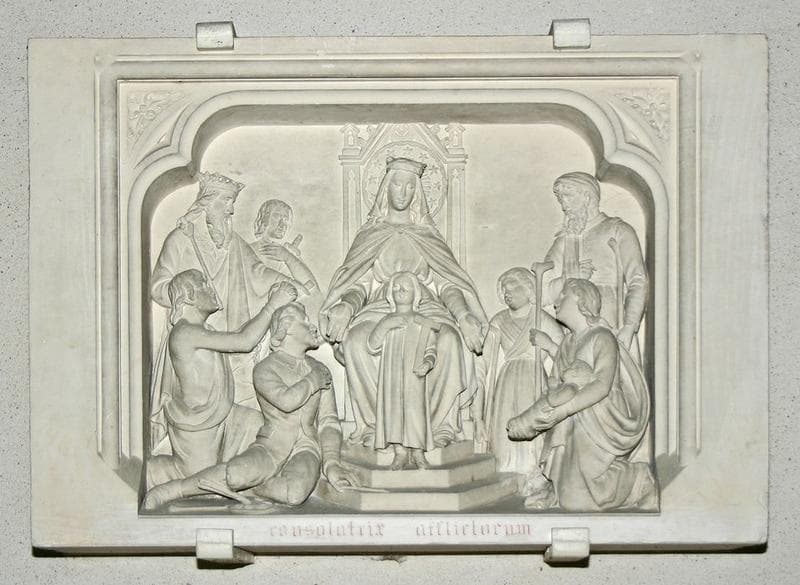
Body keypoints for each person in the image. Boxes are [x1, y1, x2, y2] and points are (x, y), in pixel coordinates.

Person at [320, 157, 488, 449]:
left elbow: (446, 283)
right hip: (379, 307)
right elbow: (359, 283)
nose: (403, 192)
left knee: (449, 340)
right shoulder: (371, 235)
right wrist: (346, 306)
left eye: (410, 187)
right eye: (397, 184)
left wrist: (463, 315)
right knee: (357, 341)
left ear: (418, 193)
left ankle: (441, 426)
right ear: (385, 188)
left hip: (425, 307)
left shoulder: (427, 235)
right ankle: (375, 426)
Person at [143, 301, 359, 510]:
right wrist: (312, 381)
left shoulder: (320, 369)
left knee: (294, 495)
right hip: (272, 446)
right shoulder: (266, 369)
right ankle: (175, 489)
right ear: (287, 329)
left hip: (306, 448)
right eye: (305, 321)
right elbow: (286, 402)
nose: (312, 326)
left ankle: (253, 486)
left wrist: (331, 463)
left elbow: (328, 421)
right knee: (235, 475)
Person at [150, 172, 306, 415]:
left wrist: (289, 283)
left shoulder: (234, 243)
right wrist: (187, 291)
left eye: (232, 202)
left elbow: (259, 272)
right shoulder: (181, 239)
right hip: (195, 339)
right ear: (207, 202)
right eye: (226, 201)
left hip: (232, 326)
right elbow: (158, 287)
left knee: (239, 400)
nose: (231, 210)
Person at [507, 278, 656, 512]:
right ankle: (556, 486)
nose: (556, 301)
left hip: (599, 416)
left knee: (578, 502)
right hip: (572, 418)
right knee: (569, 487)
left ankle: (638, 479)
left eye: (563, 295)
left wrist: (563, 410)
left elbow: (602, 386)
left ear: (581, 299)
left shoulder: (601, 337)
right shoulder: (567, 343)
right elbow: (556, 384)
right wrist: (550, 397)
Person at [146, 270, 297, 492]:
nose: (212, 290)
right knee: (196, 477)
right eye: (205, 285)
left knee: (264, 429)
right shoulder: (184, 333)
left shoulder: (205, 330)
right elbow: (243, 341)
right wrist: (273, 305)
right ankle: (150, 474)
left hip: (225, 415)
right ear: (189, 295)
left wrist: (270, 304)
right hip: (198, 424)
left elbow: (240, 336)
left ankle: (259, 481)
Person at [472, 268, 563, 484]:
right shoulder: (499, 321)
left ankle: (535, 477)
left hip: (534, 380)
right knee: (504, 434)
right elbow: (482, 365)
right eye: (504, 289)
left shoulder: (542, 319)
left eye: (513, 287)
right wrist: (477, 416)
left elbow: (568, 355)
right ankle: (505, 477)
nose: (507, 292)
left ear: (529, 289)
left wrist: (548, 345)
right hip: (506, 382)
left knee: (533, 430)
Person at [541, 172, 648, 354]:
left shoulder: (617, 230)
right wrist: (568, 278)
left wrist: (630, 326)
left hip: (610, 317)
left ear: (587, 196)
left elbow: (637, 281)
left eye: (568, 196)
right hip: (574, 326)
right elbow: (543, 293)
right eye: (560, 199)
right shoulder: (564, 241)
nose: (563, 205)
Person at [367, 271, 440, 470]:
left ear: (416, 293)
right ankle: (399, 453)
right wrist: (384, 326)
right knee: (393, 412)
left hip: (414, 378)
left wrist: (428, 363)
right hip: (391, 378)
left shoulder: (421, 321)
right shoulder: (387, 320)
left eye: (406, 287)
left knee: (415, 412)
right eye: (396, 287)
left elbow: (431, 349)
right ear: (390, 293)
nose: (400, 290)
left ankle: (417, 452)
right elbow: (372, 345)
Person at [250, 198, 318, 295]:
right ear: (265, 219)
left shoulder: (288, 252)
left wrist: (290, 258)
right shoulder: (250, 250)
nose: (282, 224)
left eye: (286, 219)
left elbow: (312, 289)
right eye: (276, 216)